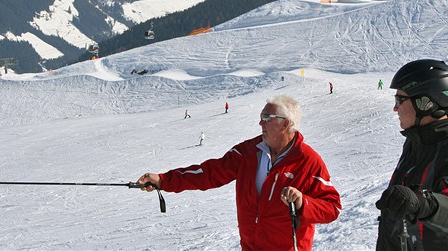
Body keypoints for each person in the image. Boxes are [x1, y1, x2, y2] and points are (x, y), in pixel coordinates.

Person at [138, 95, 341, 251]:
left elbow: (332, 208)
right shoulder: (248, 152)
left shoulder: (308, 161)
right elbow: (209, 173)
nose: (260, 123)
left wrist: (302, 202)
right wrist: (163, 180)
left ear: (285, 123)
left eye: (266, 117)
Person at [375, 59, 448, 251]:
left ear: (425, 103)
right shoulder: (418, 141)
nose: (395, 108)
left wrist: (421, 202)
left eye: (400, 100)